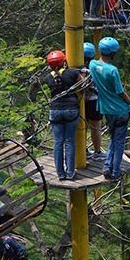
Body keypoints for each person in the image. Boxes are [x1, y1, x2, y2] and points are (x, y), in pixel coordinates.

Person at [89, 37, 130, 180]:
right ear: (113, 53)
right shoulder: (112, 70)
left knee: (113, 138)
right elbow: (120, 92)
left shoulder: (92, 65)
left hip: (106, 110)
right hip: (120, 110)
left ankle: (107, 166)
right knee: (119, 143)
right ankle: (114, 171)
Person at [44, 50, 81, 181]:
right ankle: (70, 172)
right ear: (64, 61)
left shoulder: (48, 77)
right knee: (70, 141)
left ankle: (60, 173)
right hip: (71, 109)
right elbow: (83, 85)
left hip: (55, 110)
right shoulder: (72, 73)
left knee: (58, 142)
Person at [83, 42, 105, 160]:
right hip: (94, 101)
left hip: (81, 102)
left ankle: (83, 150)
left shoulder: (76, 68)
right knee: (95, 127)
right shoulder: (96, 67)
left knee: (83, 126)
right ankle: (97, 152)